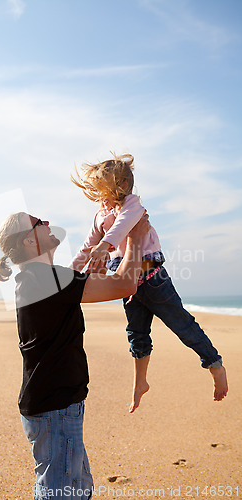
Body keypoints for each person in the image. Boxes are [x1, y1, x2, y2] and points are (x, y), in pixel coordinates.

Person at [0, 210, 149, 500]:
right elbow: (124, 285)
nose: (48, 223)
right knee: (61, 493)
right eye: (39, 223)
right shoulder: (44, 279)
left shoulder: (38, 279)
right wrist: (136, 239)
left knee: (78, 489)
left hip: (55, 407)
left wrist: (106, 243)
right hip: (55, 408)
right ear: (29, 241)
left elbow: (93, 281)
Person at [70, 153, 228, 413]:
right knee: (137, 335)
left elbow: (123, 226)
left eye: (102, 190)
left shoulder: (133, 206)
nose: (99, 197)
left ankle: (214, 364)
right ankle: (139, 382)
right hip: (128, 283)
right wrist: (67, 276)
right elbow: (86, 248)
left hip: (154, 280)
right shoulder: (101, 215)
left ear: (119, 187)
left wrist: (105, 244)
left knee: (182, 324)